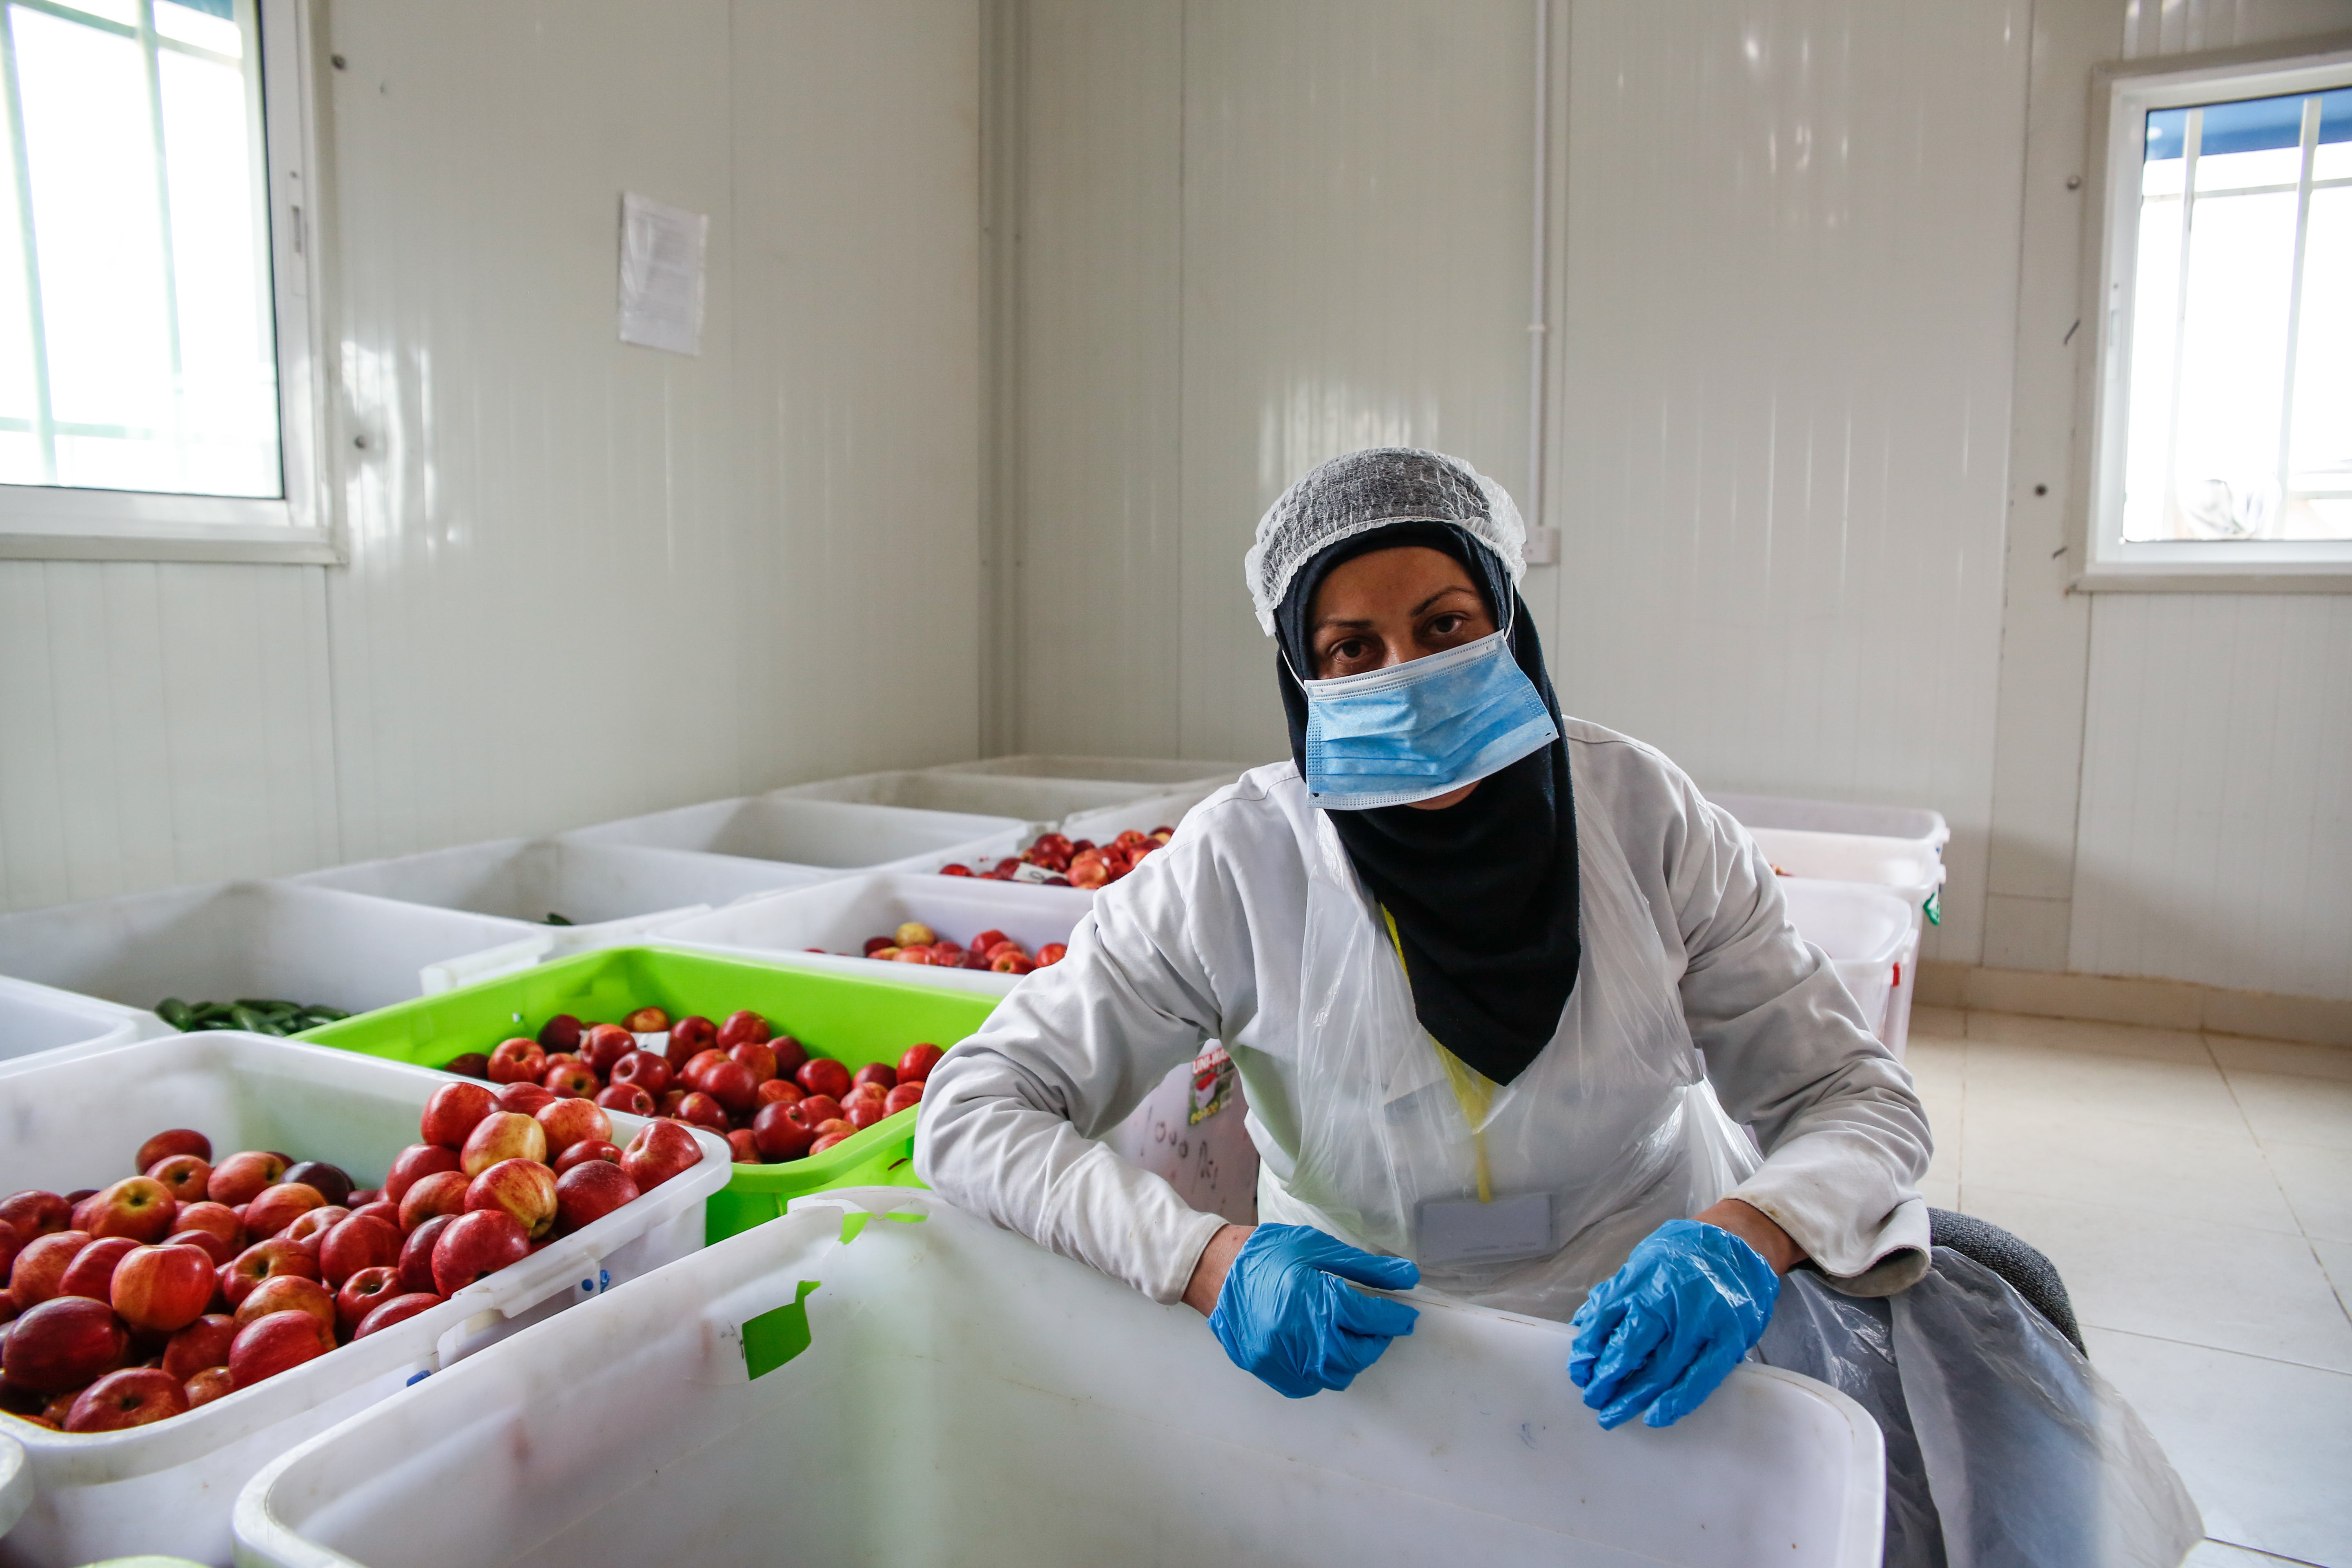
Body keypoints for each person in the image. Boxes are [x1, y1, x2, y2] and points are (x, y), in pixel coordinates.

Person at [917, 448, 2198, 1567]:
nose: (1406, 674)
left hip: (1655, 1337)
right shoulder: (1239, 864)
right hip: (1370, 1355)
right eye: (1351, 650)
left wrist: (1747, 1235)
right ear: (1300, 678)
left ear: (1511, 625)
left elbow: (1853, 1096)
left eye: (1447, 624)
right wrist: (1204, 1259)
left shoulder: (1645, 818)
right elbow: (972, 1112)